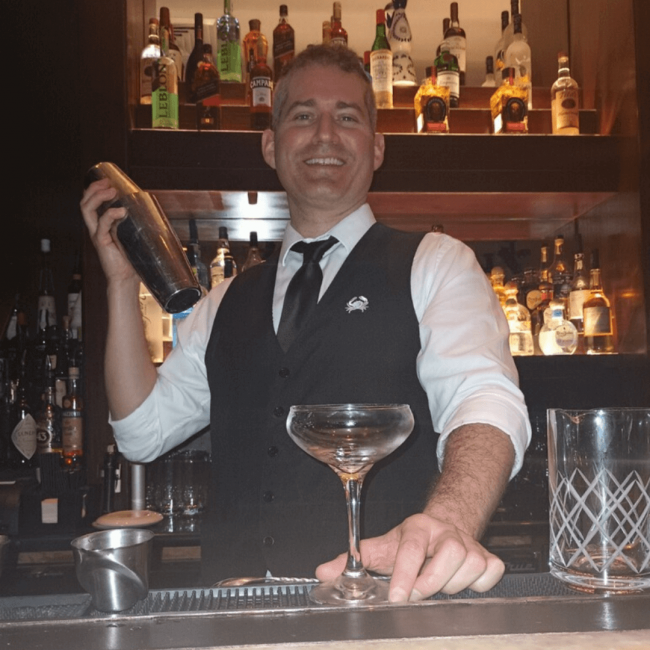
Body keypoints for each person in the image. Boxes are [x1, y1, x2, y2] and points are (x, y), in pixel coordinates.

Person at [80, 45, 530, 602]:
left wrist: (452, 521)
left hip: (381, 613)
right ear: (271, 145)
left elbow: (484, 399)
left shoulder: (436, 262)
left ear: (377, 146)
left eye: (347, 117)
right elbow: (141, 433)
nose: (325, 134)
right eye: (301, 116)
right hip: (232, 612)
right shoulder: (224, 301)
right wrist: (122, 283)